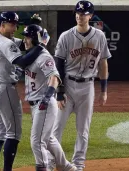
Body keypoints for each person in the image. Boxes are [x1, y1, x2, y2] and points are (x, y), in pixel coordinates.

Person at [47, 1, 111, 171]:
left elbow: (103, 64)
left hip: (88, 87)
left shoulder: (99, 37)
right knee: (56, 127)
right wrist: (59, 92)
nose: (79, 16)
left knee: (83, 130)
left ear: (90, 16)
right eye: (77, 13)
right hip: (67, 84)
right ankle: (53, 162)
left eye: (83, 14)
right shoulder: (66, 36)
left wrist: (103, 90)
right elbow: (58, 64)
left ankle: (79, 164)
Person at [0, 11, 46, 171]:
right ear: (2, 24)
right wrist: (41, 46)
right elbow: (21, 61)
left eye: (16, 24)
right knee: (13, 134)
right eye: (12, 24)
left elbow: (25, 43)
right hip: (5, 89)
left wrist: (35, 27)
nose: (15, 27)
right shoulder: (5, 43)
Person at [21, 24, 77, 171]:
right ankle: (67, 167)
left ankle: (43, 167)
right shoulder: (30, 55)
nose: (24, 40)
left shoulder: (44, 56)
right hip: (35, 104)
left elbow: (54, 77)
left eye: (27, 37)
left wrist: (47, 97)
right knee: (49, 139)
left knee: (37, 142)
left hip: (44, 103)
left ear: (34, 39)